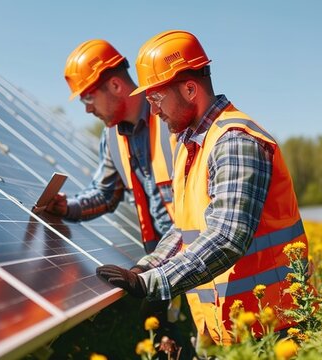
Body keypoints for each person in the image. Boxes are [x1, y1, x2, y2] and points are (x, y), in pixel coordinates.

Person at [96, 30, 309, 346]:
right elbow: (185, 228)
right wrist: (146, 268)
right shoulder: (189, 145)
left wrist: (154, 283)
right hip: (231, 330)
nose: (153, 111)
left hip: (274, 330)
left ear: (190, 89)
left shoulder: (234, 141)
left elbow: (227, 237)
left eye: (156, 98)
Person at [39, 39, 176, 254]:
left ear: (115, 86)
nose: (88, 110)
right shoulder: (113, 137)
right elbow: (106, 194)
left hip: (202, 257)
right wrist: (68, 207)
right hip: (163, 259)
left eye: (88, 99)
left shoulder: (172, 120)